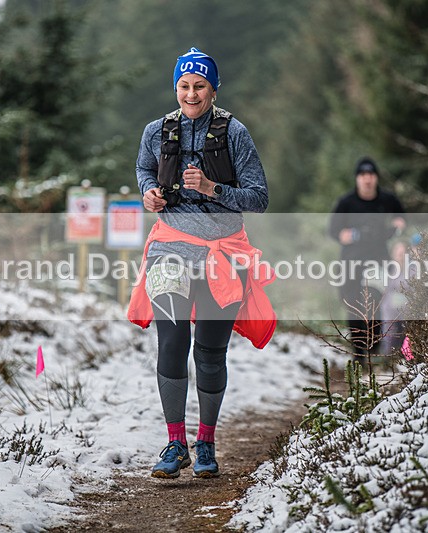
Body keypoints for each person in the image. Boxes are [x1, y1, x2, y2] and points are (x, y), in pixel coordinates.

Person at [127, 47, 275, 479]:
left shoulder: (235, 134)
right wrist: (149, 192)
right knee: (172, 343)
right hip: (170, 247)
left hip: (223, 254)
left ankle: (206, 443)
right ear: (176, 88)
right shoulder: (156, 131)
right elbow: (142, 169)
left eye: (200, 86)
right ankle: (175, 444)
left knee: (210, 352)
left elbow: (259, 199)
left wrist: (213, 188)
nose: (191, 94)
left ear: (213, 89)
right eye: (184, 86)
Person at [328, 156, 405, 360]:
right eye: (362, 175)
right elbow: (333, 231)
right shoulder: (346, 202)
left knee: (378, 305)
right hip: (351, 262)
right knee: (353, 306)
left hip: (379, 261)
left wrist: (394, 230)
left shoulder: (387, 200)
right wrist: (353, 235)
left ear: (376, 178)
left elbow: (402, 218)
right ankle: (359, 354)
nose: (367, 179)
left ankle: (375, 350)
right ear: (357, 179)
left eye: (370, 175)